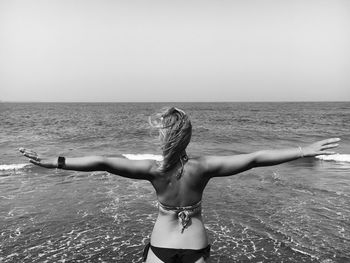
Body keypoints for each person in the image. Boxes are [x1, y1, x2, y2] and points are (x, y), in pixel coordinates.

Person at [19, 107, 340, 263]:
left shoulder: (152, 170)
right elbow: (255, 157)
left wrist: (53, 161)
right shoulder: (203, 168)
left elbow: (101, 161)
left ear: (162, 138)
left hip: (160, 247)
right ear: (187, 137)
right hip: (195, 247)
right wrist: (303, 150)